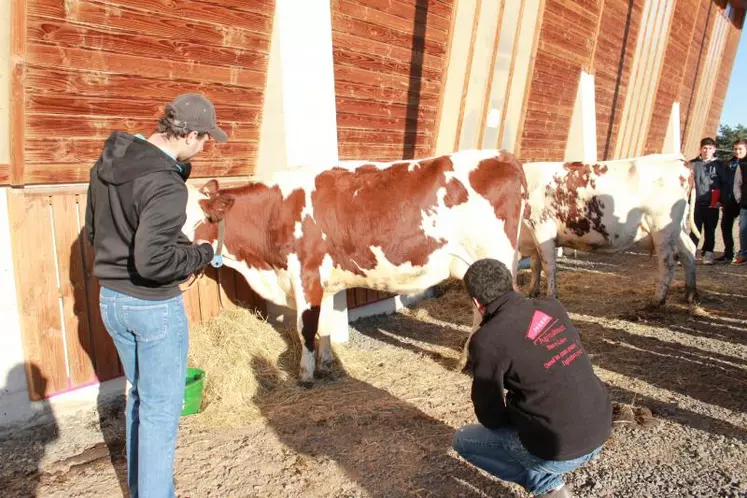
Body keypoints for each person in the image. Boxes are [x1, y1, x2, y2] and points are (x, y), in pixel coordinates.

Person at [85, 93, 227, 497]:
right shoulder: (166, 185)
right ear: (190, 134)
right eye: (205, 139)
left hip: (111, 299)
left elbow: (95, 233)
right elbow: (153, 262)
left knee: (140, 398)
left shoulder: (106, 163)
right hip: (152, 306)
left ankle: (141, 486)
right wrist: (200, 254)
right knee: (162, 411)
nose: (204, 147)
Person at [453, 258, 612, 498]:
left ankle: (546, 486)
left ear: (476, 302)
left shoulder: (486, 341)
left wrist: (519, 418)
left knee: (463, 440)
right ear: (513, 283)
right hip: (601, 427)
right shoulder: (552, 307)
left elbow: (491, 416)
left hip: (560, 450)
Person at [689, 137, 724, 265]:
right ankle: (690, 252)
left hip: (712, 203)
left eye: (710, 148)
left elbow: (724, 184)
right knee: (694, 229)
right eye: (704, 148)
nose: (707, 151)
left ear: (714, 149)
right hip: (696, 203)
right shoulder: (692, 164)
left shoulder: (720, 165)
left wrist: (721, 201)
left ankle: (708, 253)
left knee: (710, 230)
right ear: (700, 149)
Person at [716, 139, 747, 263]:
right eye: (735, 149)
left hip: (743, 200)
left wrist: (740, 198)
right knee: (725, 225)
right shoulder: (730, 163)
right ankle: (729, 253)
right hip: (730, 200)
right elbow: (723, 183)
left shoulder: (744, 164)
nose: (737, 151)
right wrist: (721, 200)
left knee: (743, 229)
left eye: (740, 149)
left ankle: (743, 253)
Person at [735, 140, 747, 265]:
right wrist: (739, 199)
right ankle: (743, 254)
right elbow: (737, 184)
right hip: (745, 204)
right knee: (743, 231)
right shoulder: (742, 164)